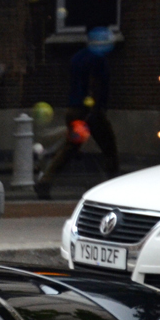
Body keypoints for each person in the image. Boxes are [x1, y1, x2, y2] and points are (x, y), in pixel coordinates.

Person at [34, 26, 119, 198]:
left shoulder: (77, 57)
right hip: (89, 112)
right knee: (109, 147)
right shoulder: (98, 59)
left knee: (70, 148)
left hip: (73, 109)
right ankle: (115, 187)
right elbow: (95, 84)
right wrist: (95, 109)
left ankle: (45, 181)